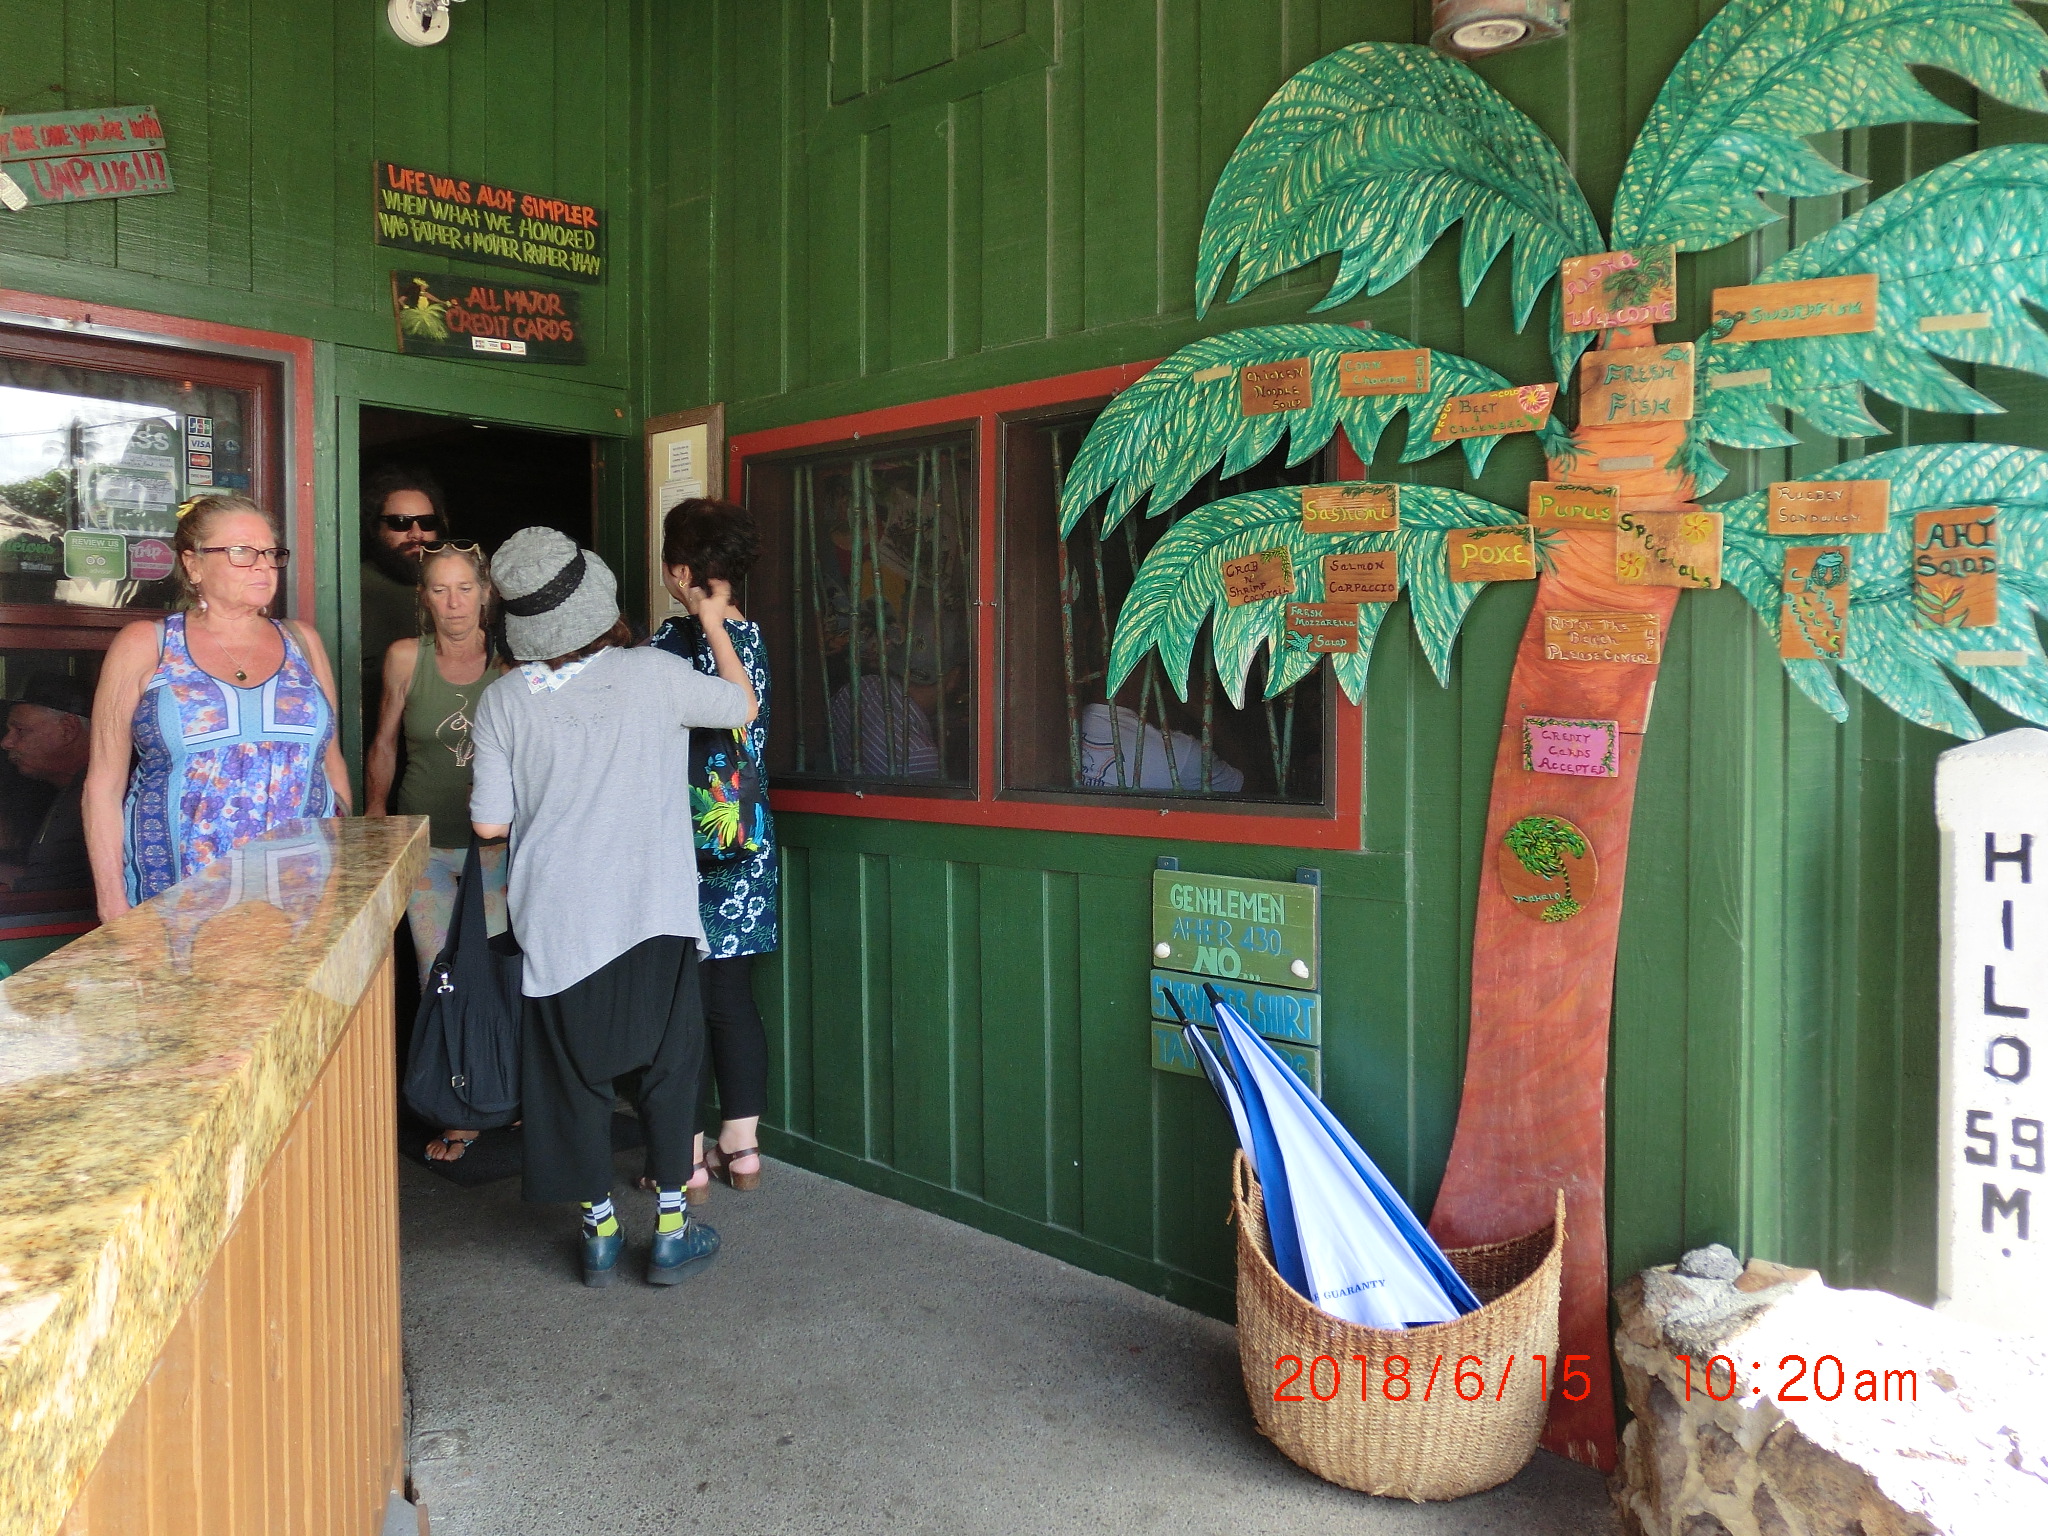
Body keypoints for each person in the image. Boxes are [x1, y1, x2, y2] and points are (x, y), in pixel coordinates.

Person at [469, 527, 755, 1287]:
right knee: (670, 1067)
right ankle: (671, 1232)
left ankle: (597, 1233)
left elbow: (490, 824)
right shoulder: (653, 672)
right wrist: (714, 623)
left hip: (558, 919)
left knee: (570, 1079)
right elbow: (741, 706)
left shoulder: (501, 701)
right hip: (653, 907)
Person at [82, 494, 348, 921]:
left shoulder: (303, 641)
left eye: (270, 553)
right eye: (242, 551)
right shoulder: (146, 644)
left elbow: (331, 764)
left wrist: (341, 867)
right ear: (194, 564)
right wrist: (112, 903)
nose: (262, 565)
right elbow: (103, 786)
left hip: (302, 893)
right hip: (175, 895)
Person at [650, 499, 778, 1202]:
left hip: (679, 843)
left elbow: (737, 709)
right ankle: (743, 1146)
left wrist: (704, 624)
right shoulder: (751, 637)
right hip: (744, 839)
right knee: (731, 998)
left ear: (679, 571)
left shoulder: (668, 645)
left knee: (684, 1004)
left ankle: (687, 1156)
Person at [365, 540, 510, 1162]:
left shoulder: (510, 663)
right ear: (423, 598)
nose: (454, 602)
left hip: (495, 849)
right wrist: (377, 820)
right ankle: (460, 1105)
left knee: (496, 971)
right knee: (439, 976)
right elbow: (385, 743)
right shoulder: (406, 658)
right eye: (440, 589)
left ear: (486, 594)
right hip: (422, 844)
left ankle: (504, 1092)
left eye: (465, 588)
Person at [360, 466, 449, 730]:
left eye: (427, 522)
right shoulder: (351, 587)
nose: (416, 534)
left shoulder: (457, 587)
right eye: (400, 523)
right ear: (375, 528)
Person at [0, 673, 94, 892]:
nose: (6, 742)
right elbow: (45, 879)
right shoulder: (67, 791)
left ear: (68, 729)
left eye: (20, 731)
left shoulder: (102, 797)